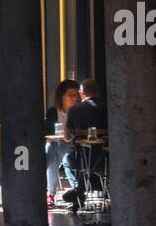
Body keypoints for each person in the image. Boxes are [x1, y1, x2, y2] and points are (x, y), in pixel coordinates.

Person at [63, 79, 108, 212]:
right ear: (98, 93)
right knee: (83, 165)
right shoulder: (108, 108)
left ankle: (79, 193)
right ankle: (79, 191)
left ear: (81, 94)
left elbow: (66, 136)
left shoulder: (74, 110)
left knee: (66, 160)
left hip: (81, 158)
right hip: (106, 158)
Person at [44, 79, 80, 207]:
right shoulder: (53, 112)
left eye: (76, 94)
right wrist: (60, 136)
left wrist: (68, 136)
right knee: (52, 148)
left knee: (54, 152)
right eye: (71, 94)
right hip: (56, 144)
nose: (74, 98)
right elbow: (47, 134)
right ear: (62, 96)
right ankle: (76, 193)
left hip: (73, 146)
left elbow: (78, 134)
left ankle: (50, 193)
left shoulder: (78, 111)